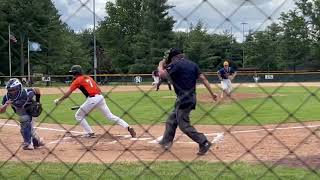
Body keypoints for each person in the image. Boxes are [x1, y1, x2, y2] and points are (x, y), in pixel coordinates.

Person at [158, 48, 218, 155]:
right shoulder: (193, 65)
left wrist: (160, 65)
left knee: (184, 125)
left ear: (174, 57)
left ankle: (203, 142)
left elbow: (162, 75)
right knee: (172, 119)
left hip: (183, 99)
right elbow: (203, 79)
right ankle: (166, 142)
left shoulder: (175, 64)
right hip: (190, 97)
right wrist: (212, 94)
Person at [54, 65, 136, 138]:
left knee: (78, 115)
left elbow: (68, 93)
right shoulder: (89, 77)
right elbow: (95, 89)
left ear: (75, 73)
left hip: (92, 99)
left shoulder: (77, 80)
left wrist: (59, 100)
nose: (72, 74)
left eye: (73, 73)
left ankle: (89, 132)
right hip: (100, 97)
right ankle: (128, 127)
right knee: (110, 116)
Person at [0, 78, 44, 150]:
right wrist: (5, 105)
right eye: (10, 90)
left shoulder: (26, 92)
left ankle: (28, 144)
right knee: (28, 128)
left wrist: (38, 101)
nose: (11, 92)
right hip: (21, 112)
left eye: (14, 89)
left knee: (24, 121)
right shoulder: (7, 97)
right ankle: (37, 141)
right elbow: (1, 111)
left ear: (19, 87)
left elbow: (37, 90)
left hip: (31, 111)